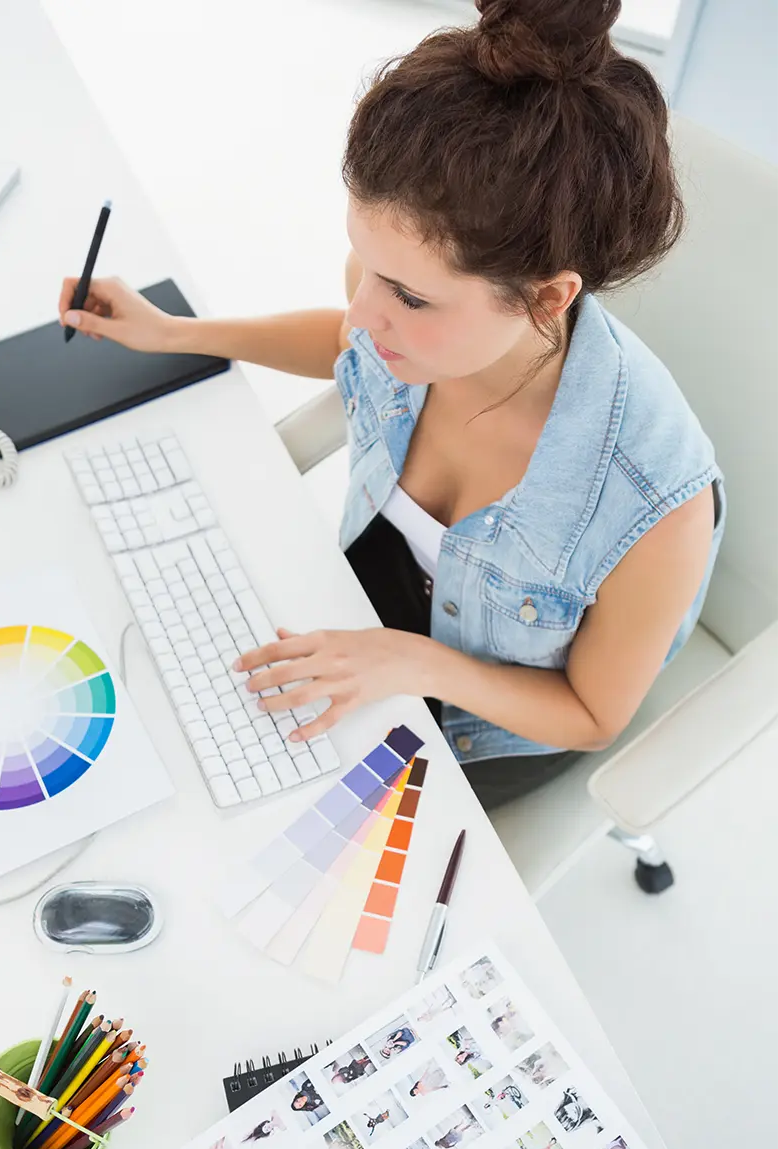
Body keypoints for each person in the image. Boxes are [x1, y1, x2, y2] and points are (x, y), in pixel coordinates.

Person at [59, 0, 724, 814]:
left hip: (488, 714)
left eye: (408, 294)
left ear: (547, 297)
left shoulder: (654, 506)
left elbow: (590, 714)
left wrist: (413, 663)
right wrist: (175, 332)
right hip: (369, 619)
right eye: (363, 262)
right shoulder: (398, 320)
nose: (367, 309)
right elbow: (347, 342)